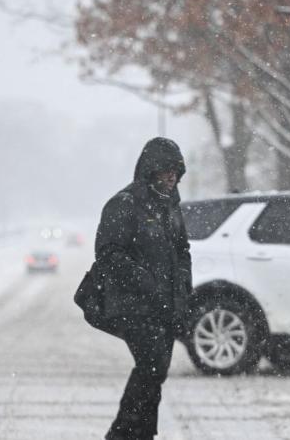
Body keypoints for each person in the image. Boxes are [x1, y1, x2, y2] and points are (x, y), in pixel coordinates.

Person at [96, 137, 192, 440]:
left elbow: (182, 250)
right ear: (150, 170)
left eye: (175, 172)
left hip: (166, 306)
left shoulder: (170, 206)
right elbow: (108, 252)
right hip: (135, 306)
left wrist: (183, 286)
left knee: (156, 372)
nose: (171, 177)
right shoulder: (125, 204)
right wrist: (144, 280)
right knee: (151, 366)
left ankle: (139, 432)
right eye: (166, 171)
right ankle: (122, 433)